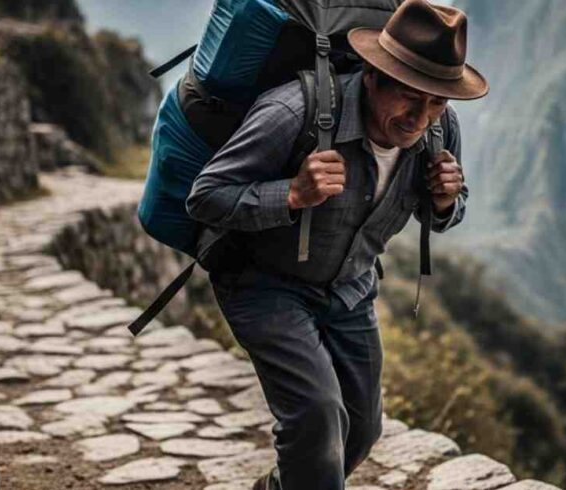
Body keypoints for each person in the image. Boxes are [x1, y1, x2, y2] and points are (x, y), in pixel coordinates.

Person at [185, 1, 488, 488]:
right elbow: (205, 197)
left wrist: (447, 200)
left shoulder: (439, 128)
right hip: (263, 283)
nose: (420, 118)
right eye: (410, 97)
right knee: (317, 417)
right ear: (372, 76)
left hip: (350, 288)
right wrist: (291, 194)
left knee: (362, 429)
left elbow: (445, 213)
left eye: (436, 102)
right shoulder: (294, 112)